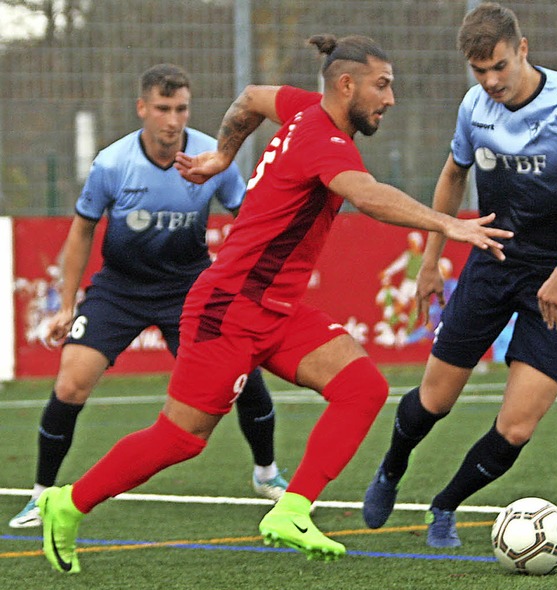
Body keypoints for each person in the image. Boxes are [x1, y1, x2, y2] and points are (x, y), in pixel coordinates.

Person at [36, 34, 512, 574]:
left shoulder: (306, 107)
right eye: (382, 86)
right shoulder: (324, 141)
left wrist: (222, 154)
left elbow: (251, 97)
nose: (390, 100)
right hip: (230, 308)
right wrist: (446, 222)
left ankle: (292, 508)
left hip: (275, 309)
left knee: (362, 387)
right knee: (181, 438)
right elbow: (367, 194)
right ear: (347, 84)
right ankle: (67, 502)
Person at [362, 2, 557, 548]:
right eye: (479, 71)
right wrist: (431, 260)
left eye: (500, 67)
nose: (490, 82)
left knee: (516, 427)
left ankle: (445, 505)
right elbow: (451, 176)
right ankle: (392, 468)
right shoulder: (474, 108)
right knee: (434, 400)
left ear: (523, 51)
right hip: (492, 266)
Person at [9, 63, 288, 530]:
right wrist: (66, 302)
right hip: (120, 290)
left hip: (191, 291)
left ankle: (267, 474)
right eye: (163, 109)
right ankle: (40, 495)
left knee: (243, 374)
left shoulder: (214, 156)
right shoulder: (112, 163)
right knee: (71, 383)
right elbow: (81, 232)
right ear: (143, 109)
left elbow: (249, 217)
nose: (173, 120)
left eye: (181, 108)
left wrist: (244, 282)